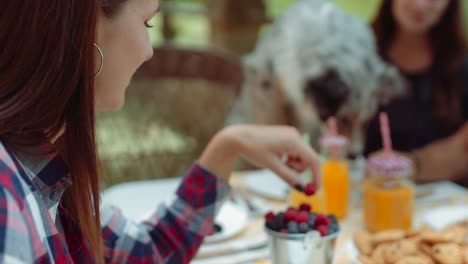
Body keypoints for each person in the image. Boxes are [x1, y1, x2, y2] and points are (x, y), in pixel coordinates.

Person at [0, 0, 321, 263]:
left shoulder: (44, 171)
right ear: (90, 29)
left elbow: (146, 252)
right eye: (147, 23)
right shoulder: (7, 209)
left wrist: (228, 146)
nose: (149, 51)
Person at [364, 0, 468, 185]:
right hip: (366, 194)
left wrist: (411, 165)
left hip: (445, 205)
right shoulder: (357, 50)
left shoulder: (462, 62)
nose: (420, 5)